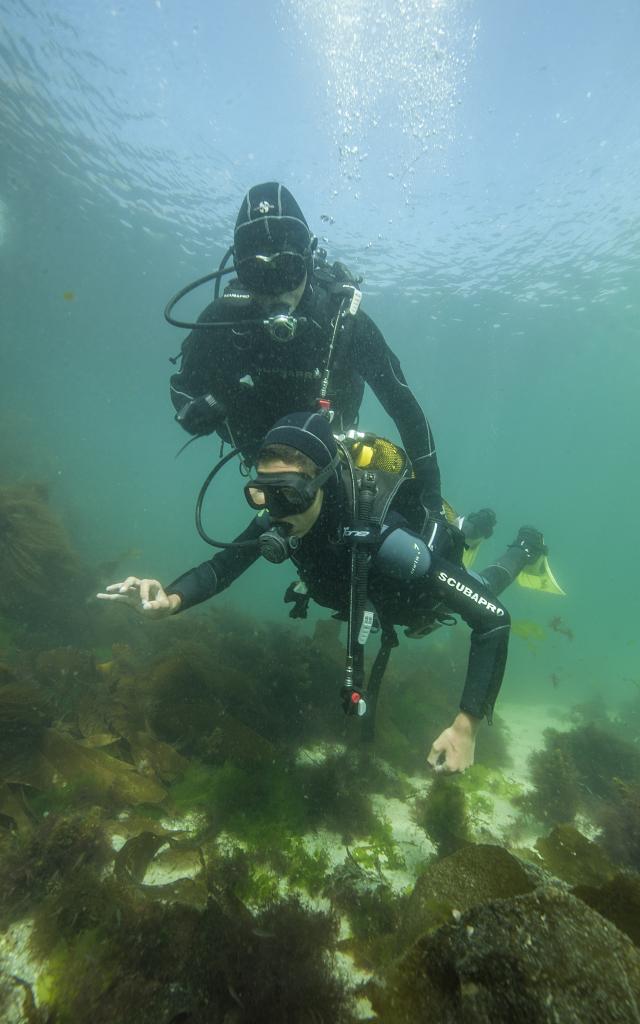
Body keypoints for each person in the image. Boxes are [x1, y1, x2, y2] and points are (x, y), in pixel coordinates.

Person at [98, 413, 547, 774]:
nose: (275, 513)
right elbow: (222, 567)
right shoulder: (282, 512)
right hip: (360, 593)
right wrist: (170, 600)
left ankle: (520, 547)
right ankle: (472, 525)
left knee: (481, 584)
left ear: (320, 482)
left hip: (414, 596)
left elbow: (493, 618)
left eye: (289, 495)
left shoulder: (386, 541)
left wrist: (466, 726)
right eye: (262, 494)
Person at [168, 181, 444, 521]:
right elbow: (183, 385)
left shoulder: (343, 322)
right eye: (256, 275)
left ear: (308, 261)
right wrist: (197, 410)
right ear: (241, 270)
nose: (275, 292)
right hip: (268, 462)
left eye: (288, 270)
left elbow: (403, 406)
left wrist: (431, 501)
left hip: (332, 456)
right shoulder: (227, 319)